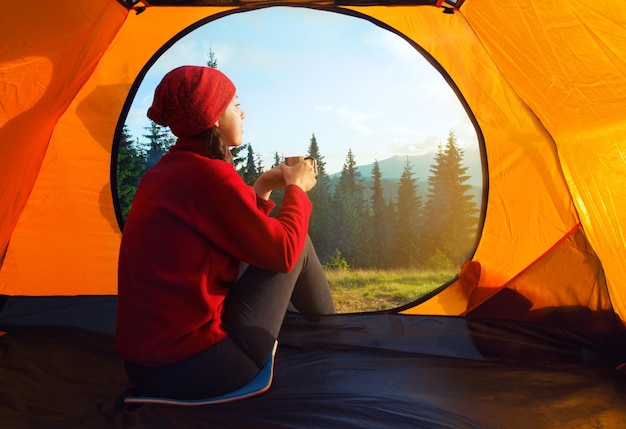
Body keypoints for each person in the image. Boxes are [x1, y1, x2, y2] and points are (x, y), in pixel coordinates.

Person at [115, 65, 336, 400]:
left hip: (146, 366)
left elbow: (232, 229)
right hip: (200, 367)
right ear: (215, 116)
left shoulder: (168, 172)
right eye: (235, 104)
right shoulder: (208, 175)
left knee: (260, 253)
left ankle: (313, 327)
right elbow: (284, 252)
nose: (243, 112)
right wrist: (297, 189)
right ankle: (334, 333)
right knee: (299, 243)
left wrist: (261, 187)